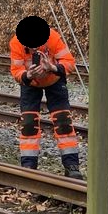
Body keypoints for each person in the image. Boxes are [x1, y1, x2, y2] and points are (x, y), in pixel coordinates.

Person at [9, 16, 83, 179]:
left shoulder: (53, 37)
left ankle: (71, 166)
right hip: (30, 83)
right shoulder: (16, 43)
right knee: (28, 123)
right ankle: (28, 166)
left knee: (63, 121)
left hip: (55, 80)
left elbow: (70, 63)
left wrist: (52, 67)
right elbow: (16, 71)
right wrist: (27, 75)